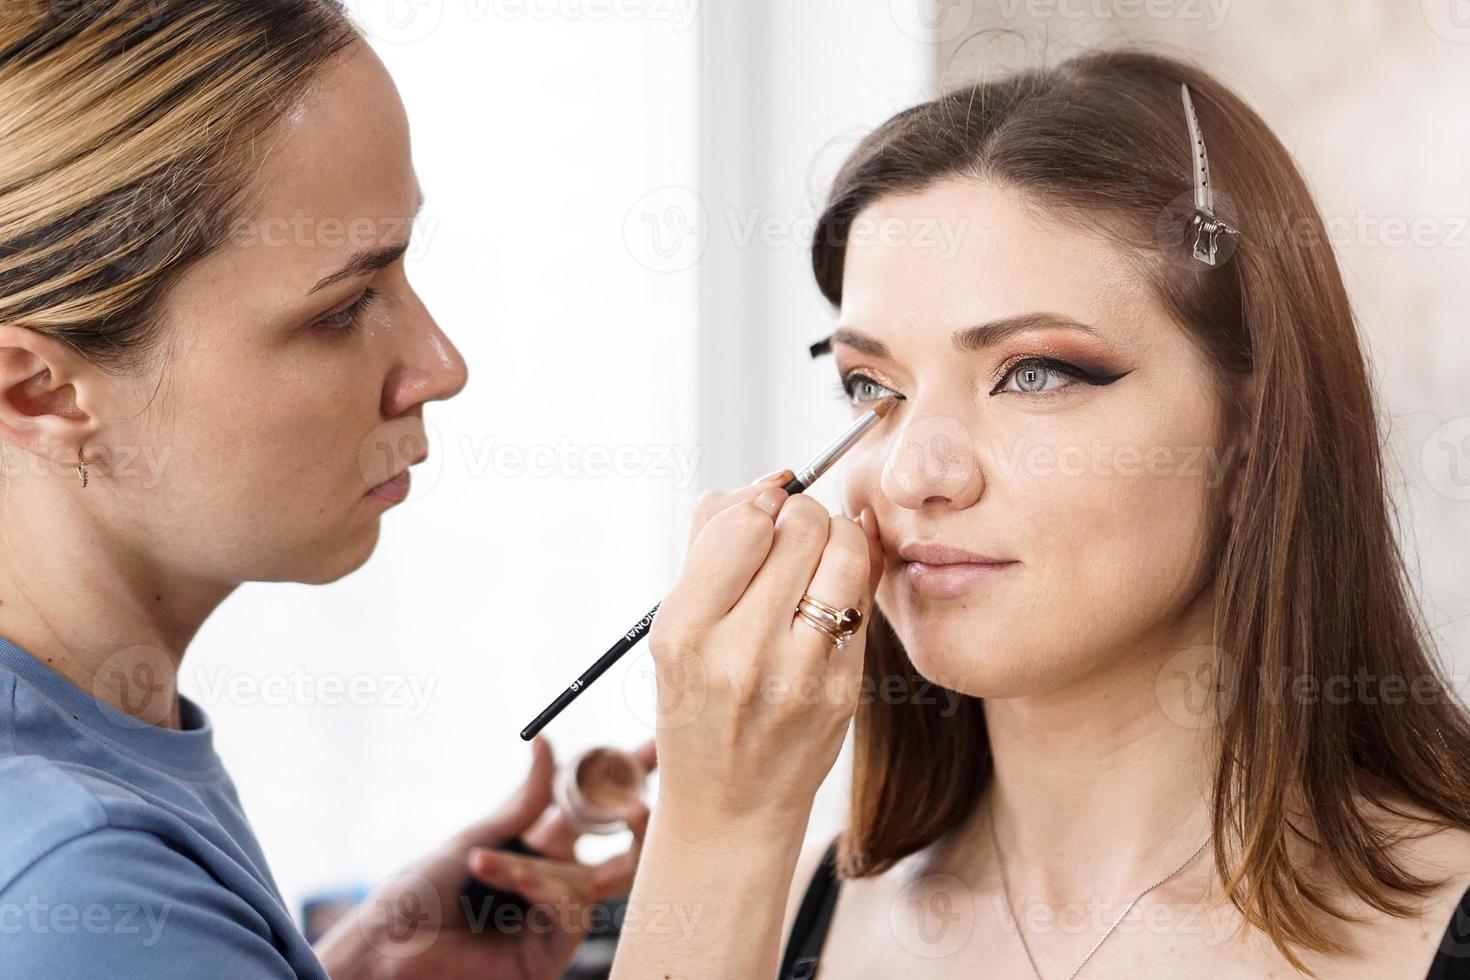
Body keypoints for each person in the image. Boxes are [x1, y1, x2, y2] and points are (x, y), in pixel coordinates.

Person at [0, 2, 881, 976]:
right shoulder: (78, 883)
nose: (440, 363)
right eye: (341, 309)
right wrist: (728, 827)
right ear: (37, 389)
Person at [604, 48, 1470, 979]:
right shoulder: (757, 910)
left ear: (1254, 425)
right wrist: (718, 835)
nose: (913, 475)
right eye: (871, 385)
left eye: (1034, 373)